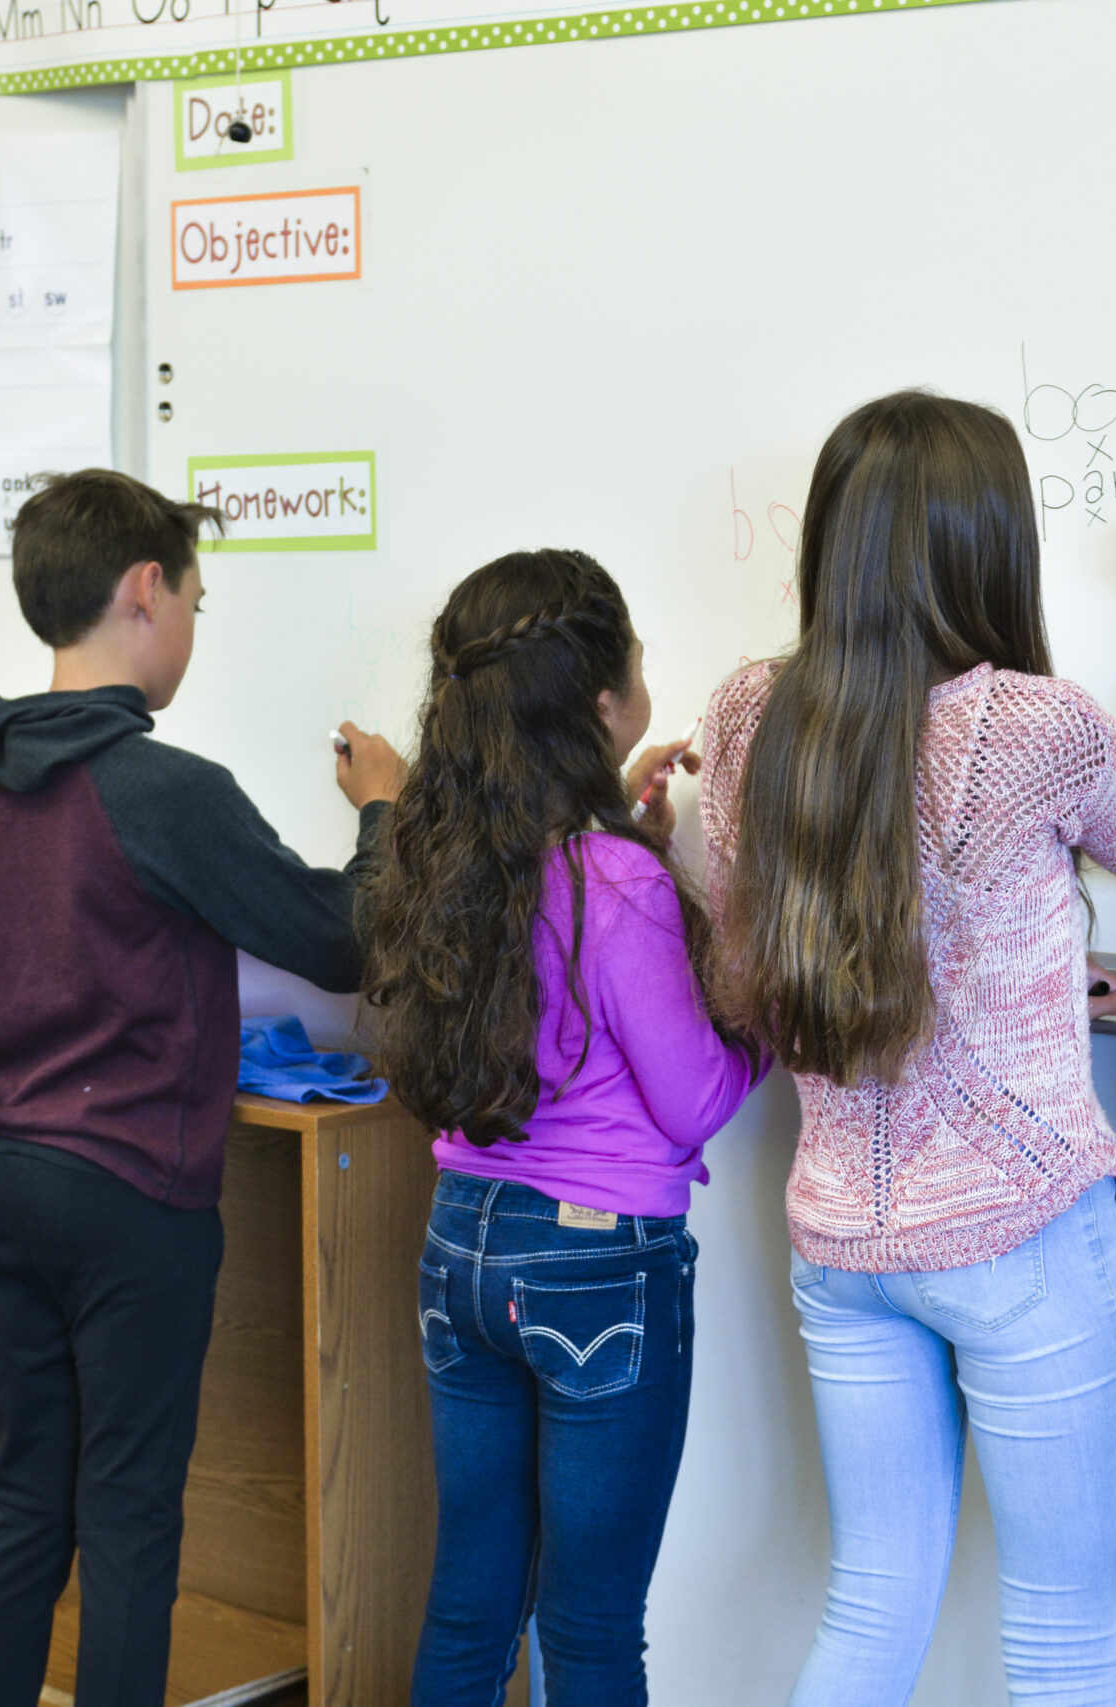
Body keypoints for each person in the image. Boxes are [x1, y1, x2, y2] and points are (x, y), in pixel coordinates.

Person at [700, 390, 1116, 1706]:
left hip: (843, 1242)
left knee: (871, 1609)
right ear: (989, 544)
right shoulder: (1033, 726)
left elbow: (774, 963)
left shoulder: (752, 716)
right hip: (1016, 1232)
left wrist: (1032, 983)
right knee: (1062, 1641)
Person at [0, 468, 405, 1707]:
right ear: (144, 592)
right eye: (193, 598)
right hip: (131, 1193)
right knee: (128, 1514)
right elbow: (344, 939)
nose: (191, 623)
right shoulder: (165, 789)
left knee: (27, 1492)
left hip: (1, 1173)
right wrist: (386, 813)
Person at [356, 549, 768, 1705]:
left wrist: (623, 829)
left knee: (470, 1605)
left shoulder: (442, 853)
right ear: (600, 701)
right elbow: (697, 1100)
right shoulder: (612, 880)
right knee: (589, 1634)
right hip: (597, 1268)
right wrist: (766, 1022)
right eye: (634, 657)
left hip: (462, 1242)